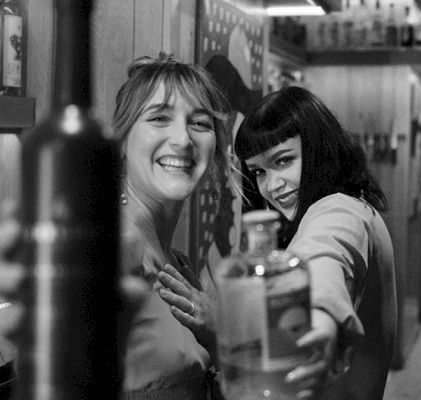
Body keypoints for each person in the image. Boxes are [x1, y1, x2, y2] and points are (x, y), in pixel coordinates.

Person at [0, 54, 341, 400]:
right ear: (121, 140)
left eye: (200, 123)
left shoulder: (178, 263)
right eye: (160, 118)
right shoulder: (103, 252)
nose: (182, 139)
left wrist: (221, 339)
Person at [234, 85, 398, 400]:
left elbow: (323, 255)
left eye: (283, 161)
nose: (272, 185)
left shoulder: (339, 209)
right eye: (259, 172)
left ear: (317, 149)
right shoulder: (353, 204)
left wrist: (315, 318)